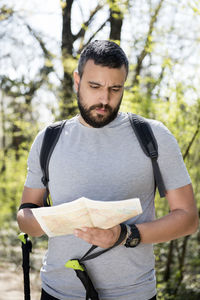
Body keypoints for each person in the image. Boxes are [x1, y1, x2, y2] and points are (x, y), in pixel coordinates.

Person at [17, 40, 198, 300]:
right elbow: (26, 215)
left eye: (115, 88)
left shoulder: (154, 136)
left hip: (134, 294)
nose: (104, 99)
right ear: (77, 81)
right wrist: (52, 220)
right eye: (95, 86)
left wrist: (126, 234)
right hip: (58, 291)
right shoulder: (48, 139)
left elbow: (188, 218)